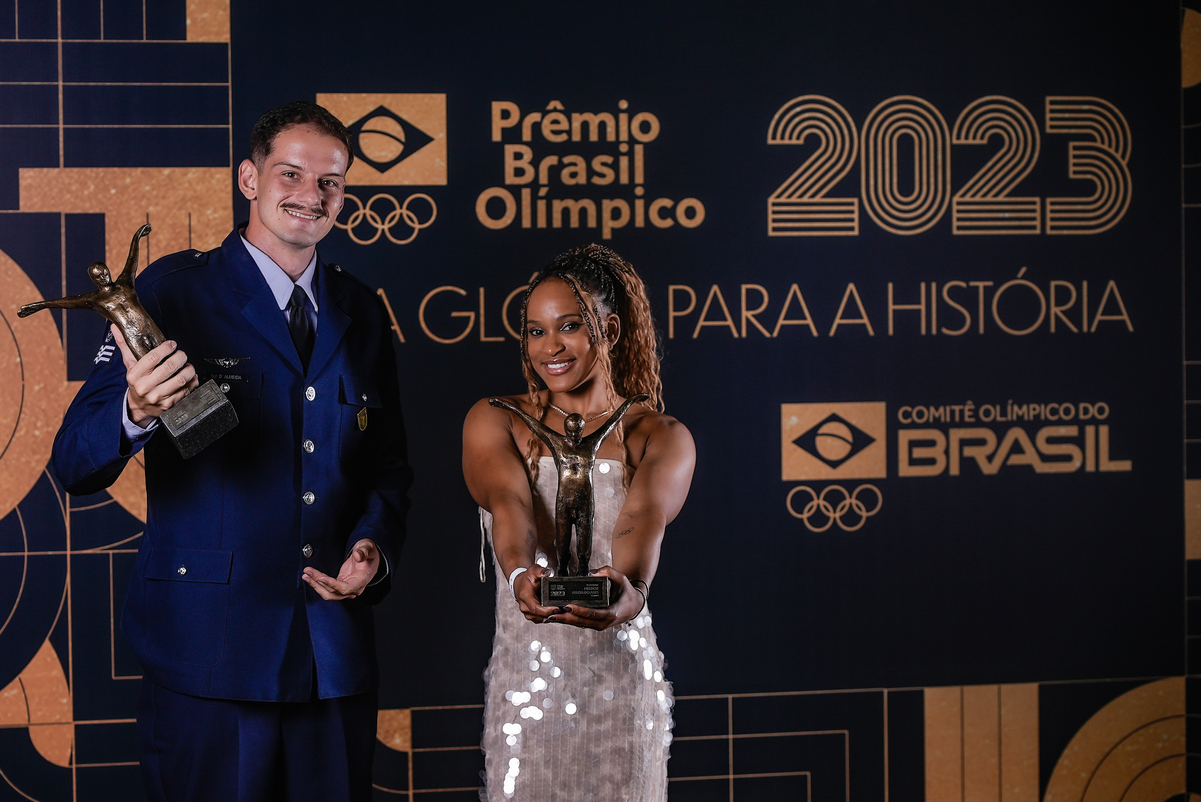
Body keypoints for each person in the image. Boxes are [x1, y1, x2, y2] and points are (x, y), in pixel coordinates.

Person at [50, 101, 411, 802]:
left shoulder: (360, 309)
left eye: (330, 181)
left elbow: (389, 465)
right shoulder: (170, 291)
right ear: (249, 178)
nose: (310, 195)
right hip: (208, 650)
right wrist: (135, 410)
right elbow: (73, 459)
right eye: (291, 173)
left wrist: (373, 545)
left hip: (330, 654)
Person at [462, 244, 695, 801]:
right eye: (535, 331)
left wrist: (628, 588)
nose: (550, 348)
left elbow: (640, 521)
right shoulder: (495, 419)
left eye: (569, 326)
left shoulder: (660, 435)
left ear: (609, 330)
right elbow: (508, 503)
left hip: (622, 689)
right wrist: (522, 574)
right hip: (525, 691)